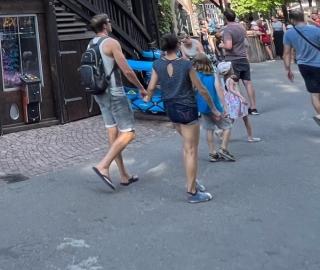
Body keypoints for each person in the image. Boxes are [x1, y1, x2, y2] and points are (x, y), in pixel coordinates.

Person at [144, 34, 222, 203]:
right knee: (191, 149)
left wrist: (147, 99)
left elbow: (151, 87)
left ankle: (192, 180)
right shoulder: (186, 64)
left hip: (170, 108)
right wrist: (214, 109)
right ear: (178, 46)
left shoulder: (157, 64)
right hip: (187, 108)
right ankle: (192, 191)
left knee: (186, 147)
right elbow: (201, 89)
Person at [89, 14, 147, 190]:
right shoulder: (112, 43)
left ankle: (123, 174)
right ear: (105, 26)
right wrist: (141, 88)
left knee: (114, 134)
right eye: (109, 22)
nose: (111, 24)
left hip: (99, 92)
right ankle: (104, 165)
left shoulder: (91, 43)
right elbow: (127, 71)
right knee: (129, 133)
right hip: (114, 92)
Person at [284, 9, 320, 134]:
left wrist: (287, 69)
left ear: (292, 20)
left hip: (303, 66)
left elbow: (287, 53)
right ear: (304, 18)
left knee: (315, 94)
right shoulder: (316, 30)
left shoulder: (288, 33)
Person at [192, 53, 233, 162]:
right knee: (227, 126)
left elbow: (193, 90)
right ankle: (223, 148)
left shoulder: (195, 75)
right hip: (214, 105)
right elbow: (219, 90)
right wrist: (225, 106)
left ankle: (212, 153)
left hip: (202, 106)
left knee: (209, 128)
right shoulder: (212, 74)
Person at [220, 9, 258, 114]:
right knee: (247, 82)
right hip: (243, 58)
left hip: (233, 59)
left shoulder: (227, 29)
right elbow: (247, 41)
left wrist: (221, 45)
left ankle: (241, 107)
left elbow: (228, 46)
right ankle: (253, 107)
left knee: (234, 84)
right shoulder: (241, 27)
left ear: (225, 18)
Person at [222, 63, 259, 142]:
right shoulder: (231, 80)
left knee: (232, 118)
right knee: (245, 118)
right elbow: (232, 90)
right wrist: (241, 97)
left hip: (230, 102)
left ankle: (222, 132)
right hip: (236, 101)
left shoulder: (224, 79)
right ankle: (250, 137)